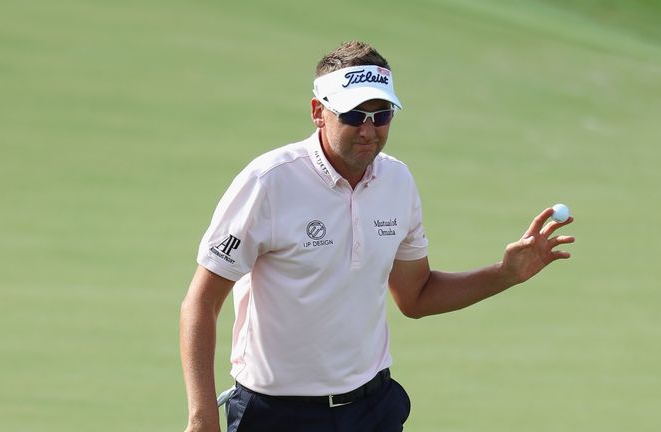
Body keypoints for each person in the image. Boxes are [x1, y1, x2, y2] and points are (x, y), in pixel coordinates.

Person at [180, 40, 574, 432]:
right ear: (319, 111)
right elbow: (201, 302)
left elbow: (415, 296)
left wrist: (504, 275)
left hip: (371, 409)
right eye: (353, 115)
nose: (369, 130)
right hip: (277, 414)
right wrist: (202, 418)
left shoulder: (397, 181)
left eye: (381, 114)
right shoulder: (268, 182)